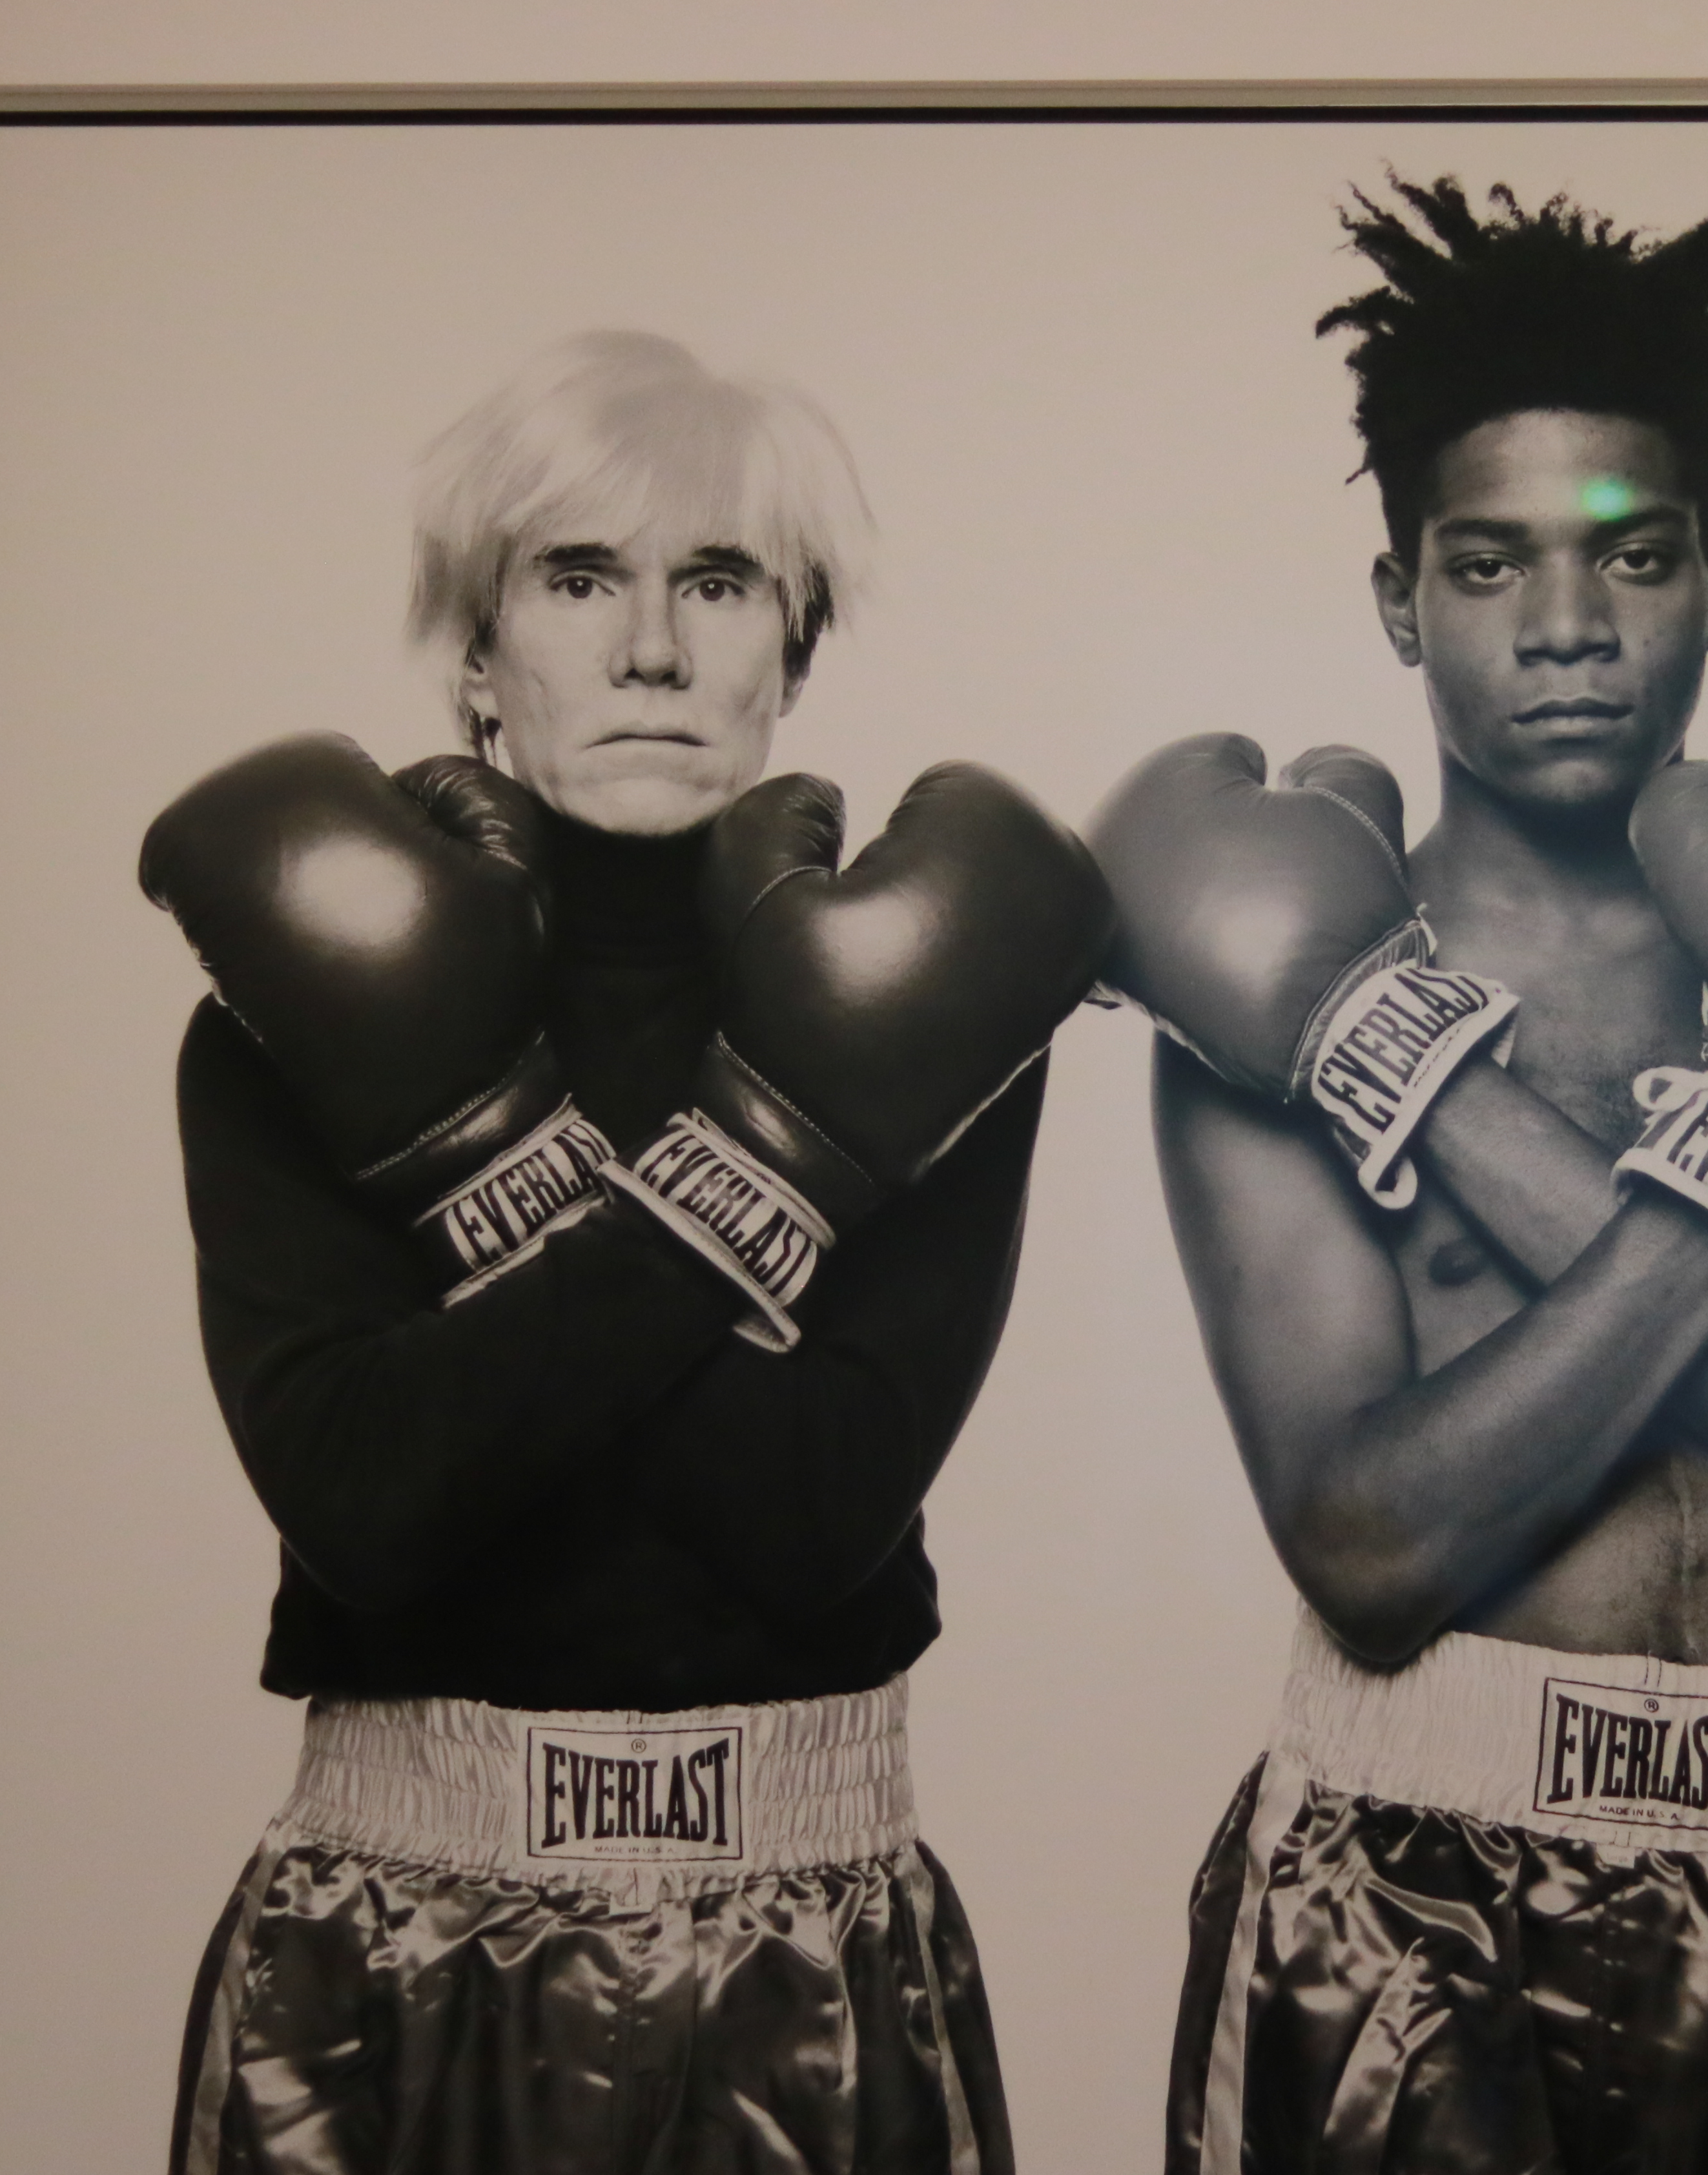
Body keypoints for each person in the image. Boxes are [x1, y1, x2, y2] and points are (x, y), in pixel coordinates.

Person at [1096, 177, 1708, 2174]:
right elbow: (1367, 1548)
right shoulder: (1267, 969)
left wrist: (1410, 1078)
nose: (1565, 630)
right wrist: (1376, 1024)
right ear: (1398, 601)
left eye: (1633, 554)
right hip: (1403, 1908)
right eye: (1488, 563)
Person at [138, 331, 1109, 2175]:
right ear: (477, 654)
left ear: (791, 654)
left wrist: (512, 1194)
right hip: (393, 1948)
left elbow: (814, 1516)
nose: (652, 648)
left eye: (717, 583)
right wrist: (765, 1174)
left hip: (802, 1958)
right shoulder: (289, 1004)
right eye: (579, 579)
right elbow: (366, 1506)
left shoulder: (939, 996)